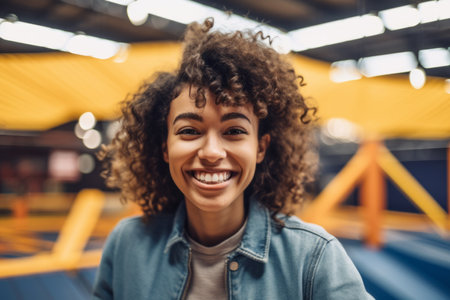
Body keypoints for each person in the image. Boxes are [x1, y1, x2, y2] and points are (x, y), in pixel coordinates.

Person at [93, 18, 373, 300]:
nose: (212, 152)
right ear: (165, 147)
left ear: (261, 147)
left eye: (234, 131)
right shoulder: (126, 245)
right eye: (189, 131)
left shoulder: (314, 259)